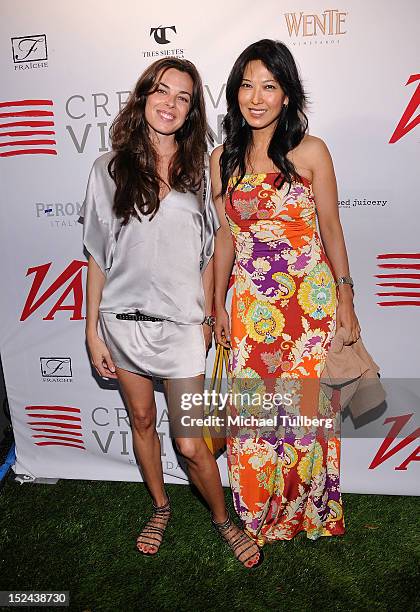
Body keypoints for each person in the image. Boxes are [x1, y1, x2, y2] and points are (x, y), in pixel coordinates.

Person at [81, 57, 262, 568]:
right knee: (141, 419)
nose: (170, 103)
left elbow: (212, 248)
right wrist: (92, 330)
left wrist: (209, 316)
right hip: (122, 323)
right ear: (143, 96)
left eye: (183, 97)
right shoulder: (108, 168)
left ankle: (222, 518)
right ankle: (160, 507)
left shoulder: (202, 170)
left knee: (190, 442)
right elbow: (97, 255)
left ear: (191, 110)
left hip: (183, 327)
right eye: (162, 91)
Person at [210, 39, 360, 545]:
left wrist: (346, 300)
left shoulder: (311, 151)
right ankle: (258, 516)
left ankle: (306, 512)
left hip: (310, 306)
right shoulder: (222, 159)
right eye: (247, 85)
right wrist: (217, 306)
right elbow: (225, 239)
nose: (256, 97)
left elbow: (333, 230)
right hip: (253, 308)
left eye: (268, 86)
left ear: (287, 95)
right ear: (235, 94)